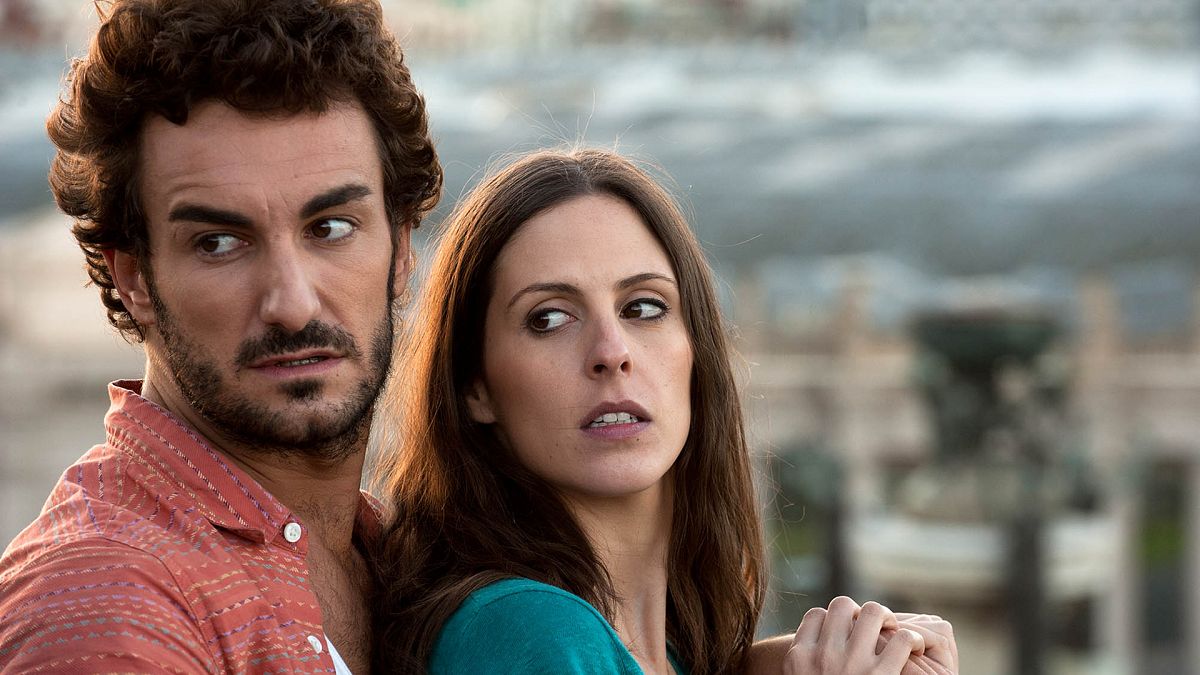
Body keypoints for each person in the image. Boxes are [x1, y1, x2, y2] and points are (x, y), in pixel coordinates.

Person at [368, 148, 958, 674]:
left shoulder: (655, 651)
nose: (612, 351)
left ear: (696, 348)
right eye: (549, 318)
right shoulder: (530, 632)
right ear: (475, 386)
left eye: (644, 307)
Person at [0, 0, 440, 672]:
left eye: (330, 228)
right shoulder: (105, 608)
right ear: (133, 277)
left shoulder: (394, 559)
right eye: (219, 242)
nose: (292, 304)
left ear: (401, 247)